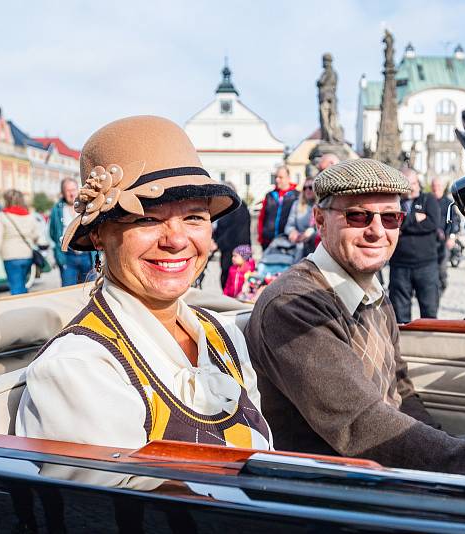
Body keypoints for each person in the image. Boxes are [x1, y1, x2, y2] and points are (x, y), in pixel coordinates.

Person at [245, 158, 465, 489]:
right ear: (320, 220)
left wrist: (443, 447)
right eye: (357, 216)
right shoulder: (294, 304)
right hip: (341, 482)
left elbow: (400, 388)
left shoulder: (369, 289)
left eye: (391, 218)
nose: (376, 231)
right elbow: (362, 427)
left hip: (385, 462)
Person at [15, 115, 272, 450]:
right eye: (147, 218)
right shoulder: (79, 369)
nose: (176, 239)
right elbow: (115, 502)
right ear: (98, 235)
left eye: (194, 216)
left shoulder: (223, 334)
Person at [388, 168, 442, 323]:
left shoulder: (428, 200)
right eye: (408, 184)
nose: (413, 188)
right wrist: (415, 218)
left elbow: (432, 224)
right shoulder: (393, 202)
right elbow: (391, 224)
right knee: (400, 314)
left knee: (429, 311)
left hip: (426, 265)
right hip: (399, 266)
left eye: (414, 183)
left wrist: (403, 224)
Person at [0, 189, 45, 295]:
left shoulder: (2, 216)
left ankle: (20, 306)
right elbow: (36, 235)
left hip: (10, 256)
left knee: (15, 287)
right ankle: (25, 304)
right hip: (27, 255)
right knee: (22, 284)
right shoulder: (29, 215)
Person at [49, 178, 95, 286]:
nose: (71, 193)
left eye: (74, 189)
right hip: (67, 256)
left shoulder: (88, 206)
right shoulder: (57, 209)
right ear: (63, 192)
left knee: (89, 289)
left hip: (87, 255)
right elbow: (52, 232)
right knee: (68, 290)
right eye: (68, 190)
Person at [212, 181, 251, 289]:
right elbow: (220, 228)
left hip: (238, 250)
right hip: (227, 250)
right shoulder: (226, 208)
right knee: (225, 277)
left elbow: (233, 231)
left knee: (236, 280)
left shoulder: (240, 208)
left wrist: (217, 244)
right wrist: (214, 240)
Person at [431, 175, 461, 295]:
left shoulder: (448, 203)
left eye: (438, 186)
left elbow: (455, 221)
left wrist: (452, 237)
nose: (436, 188)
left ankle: (441, 287)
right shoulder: (427, 201)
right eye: (434, 186)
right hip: (429, 241)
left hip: (444, 242)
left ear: (443, 188)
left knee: (442, 267)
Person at [257, 165, 298, 250]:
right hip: (268, 241)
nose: (277, 180)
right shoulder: (269, 195)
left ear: (288, 178)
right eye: (276, 177)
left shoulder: (296, 196)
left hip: (287, 242)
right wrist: (261, 238)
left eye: (280, 177)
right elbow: (262, 217)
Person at [284, 176, 318, 262]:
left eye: (310, 187)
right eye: (304, 188)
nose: (307, 190)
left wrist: (312, 232)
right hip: (297, 248)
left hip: (315, 248)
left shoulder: (321, 205)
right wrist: (292, 232)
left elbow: (326, 228)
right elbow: (289, 226)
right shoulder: (296, 204)